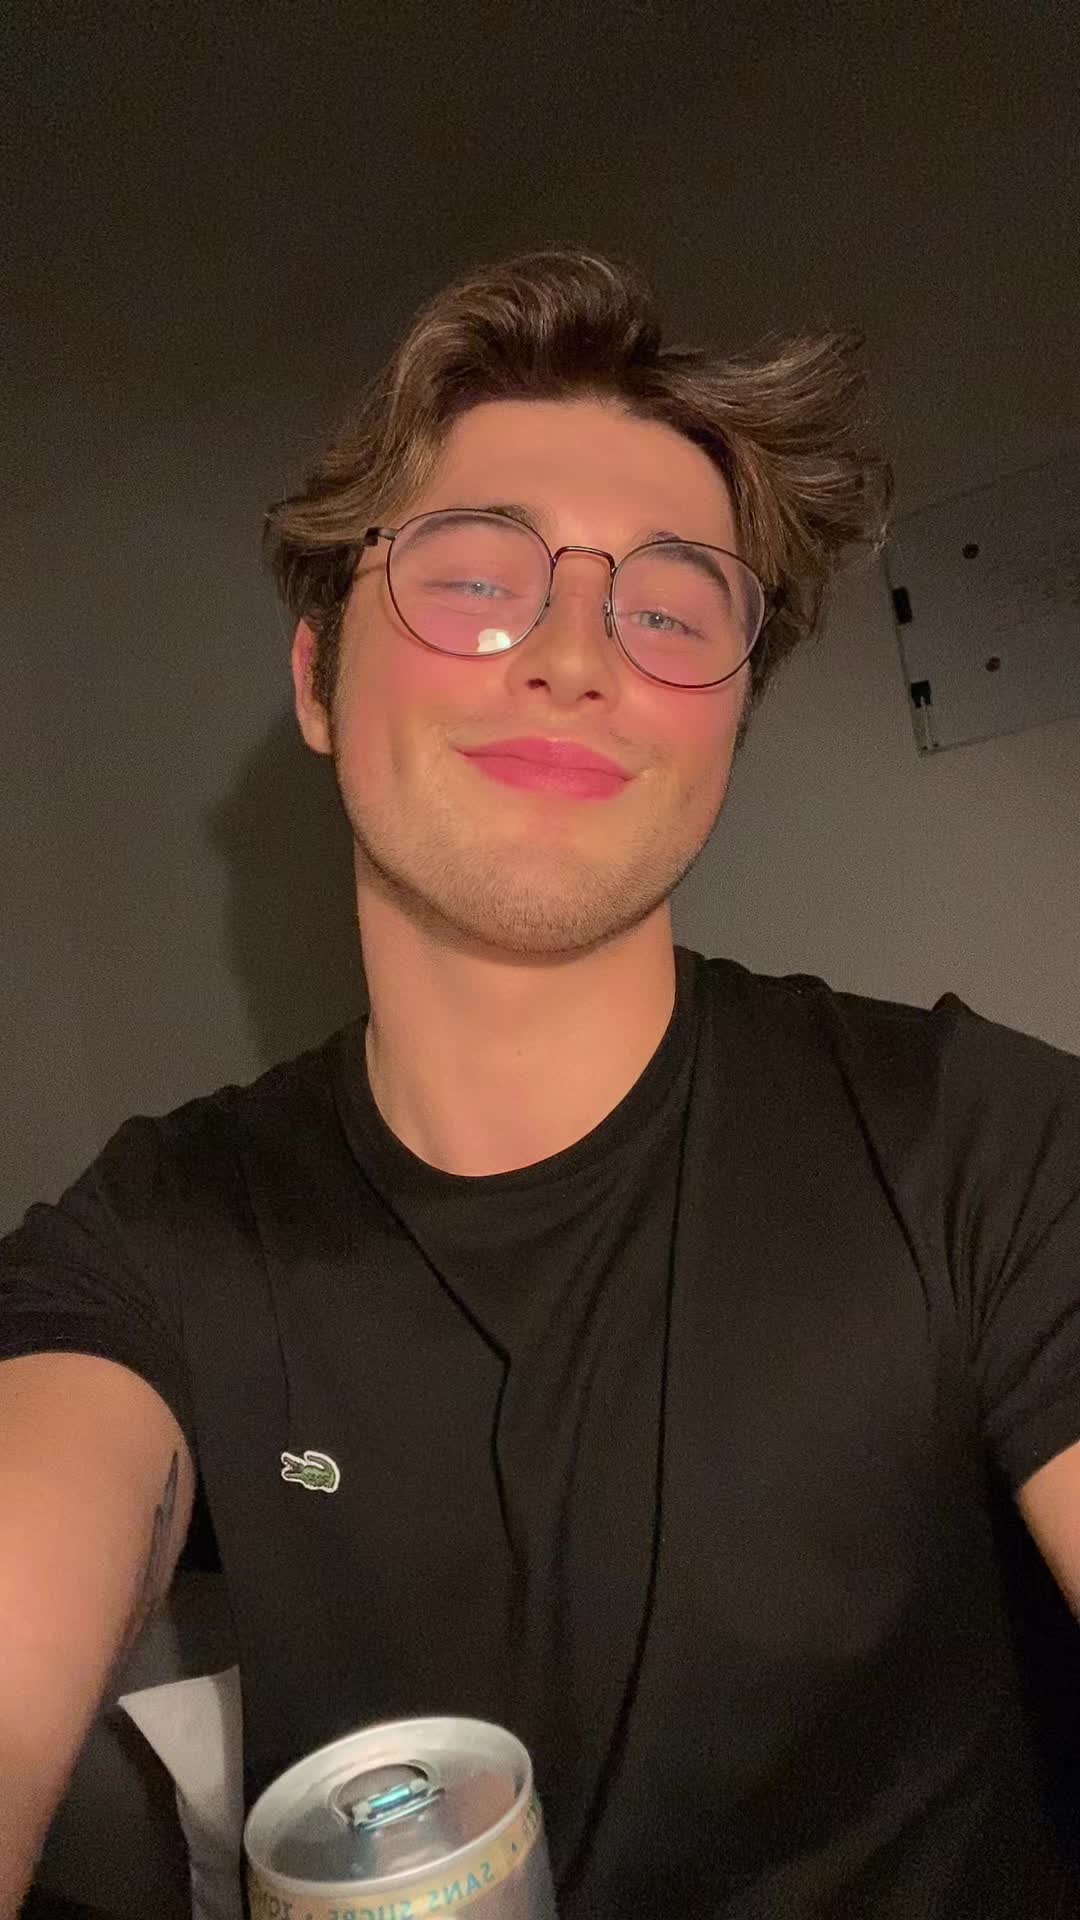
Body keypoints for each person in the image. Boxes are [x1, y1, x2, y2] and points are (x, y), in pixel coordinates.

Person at [2, 246, 1079, 1920]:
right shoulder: (158, 1237)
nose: (577, 651)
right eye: (473, 575)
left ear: (729, 725)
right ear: (315, 675)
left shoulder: (983, 1147)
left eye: (671, 610)